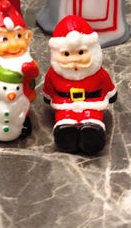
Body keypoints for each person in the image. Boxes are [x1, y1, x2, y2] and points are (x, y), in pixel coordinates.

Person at [43, 15, 117, 154]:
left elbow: (107, 85)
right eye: (66, 54)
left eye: (81, 52)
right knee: (65, 118)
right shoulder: (54, 74)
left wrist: (112, 94)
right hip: (64, 104)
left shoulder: (98, 74)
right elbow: (48, 88)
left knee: (92, 117)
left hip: (92, 104)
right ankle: (66, 135)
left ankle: (92, 133)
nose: (75, 60)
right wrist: (47, 96)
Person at [0, 0, 39, 141]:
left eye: (18, 36)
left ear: (28, 36)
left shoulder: (25, 60)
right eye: (4, 39)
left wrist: (29, 72)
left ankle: (24, 120)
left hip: (20, 99)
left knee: (22, 107)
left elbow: (33, 75)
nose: (14, 45)